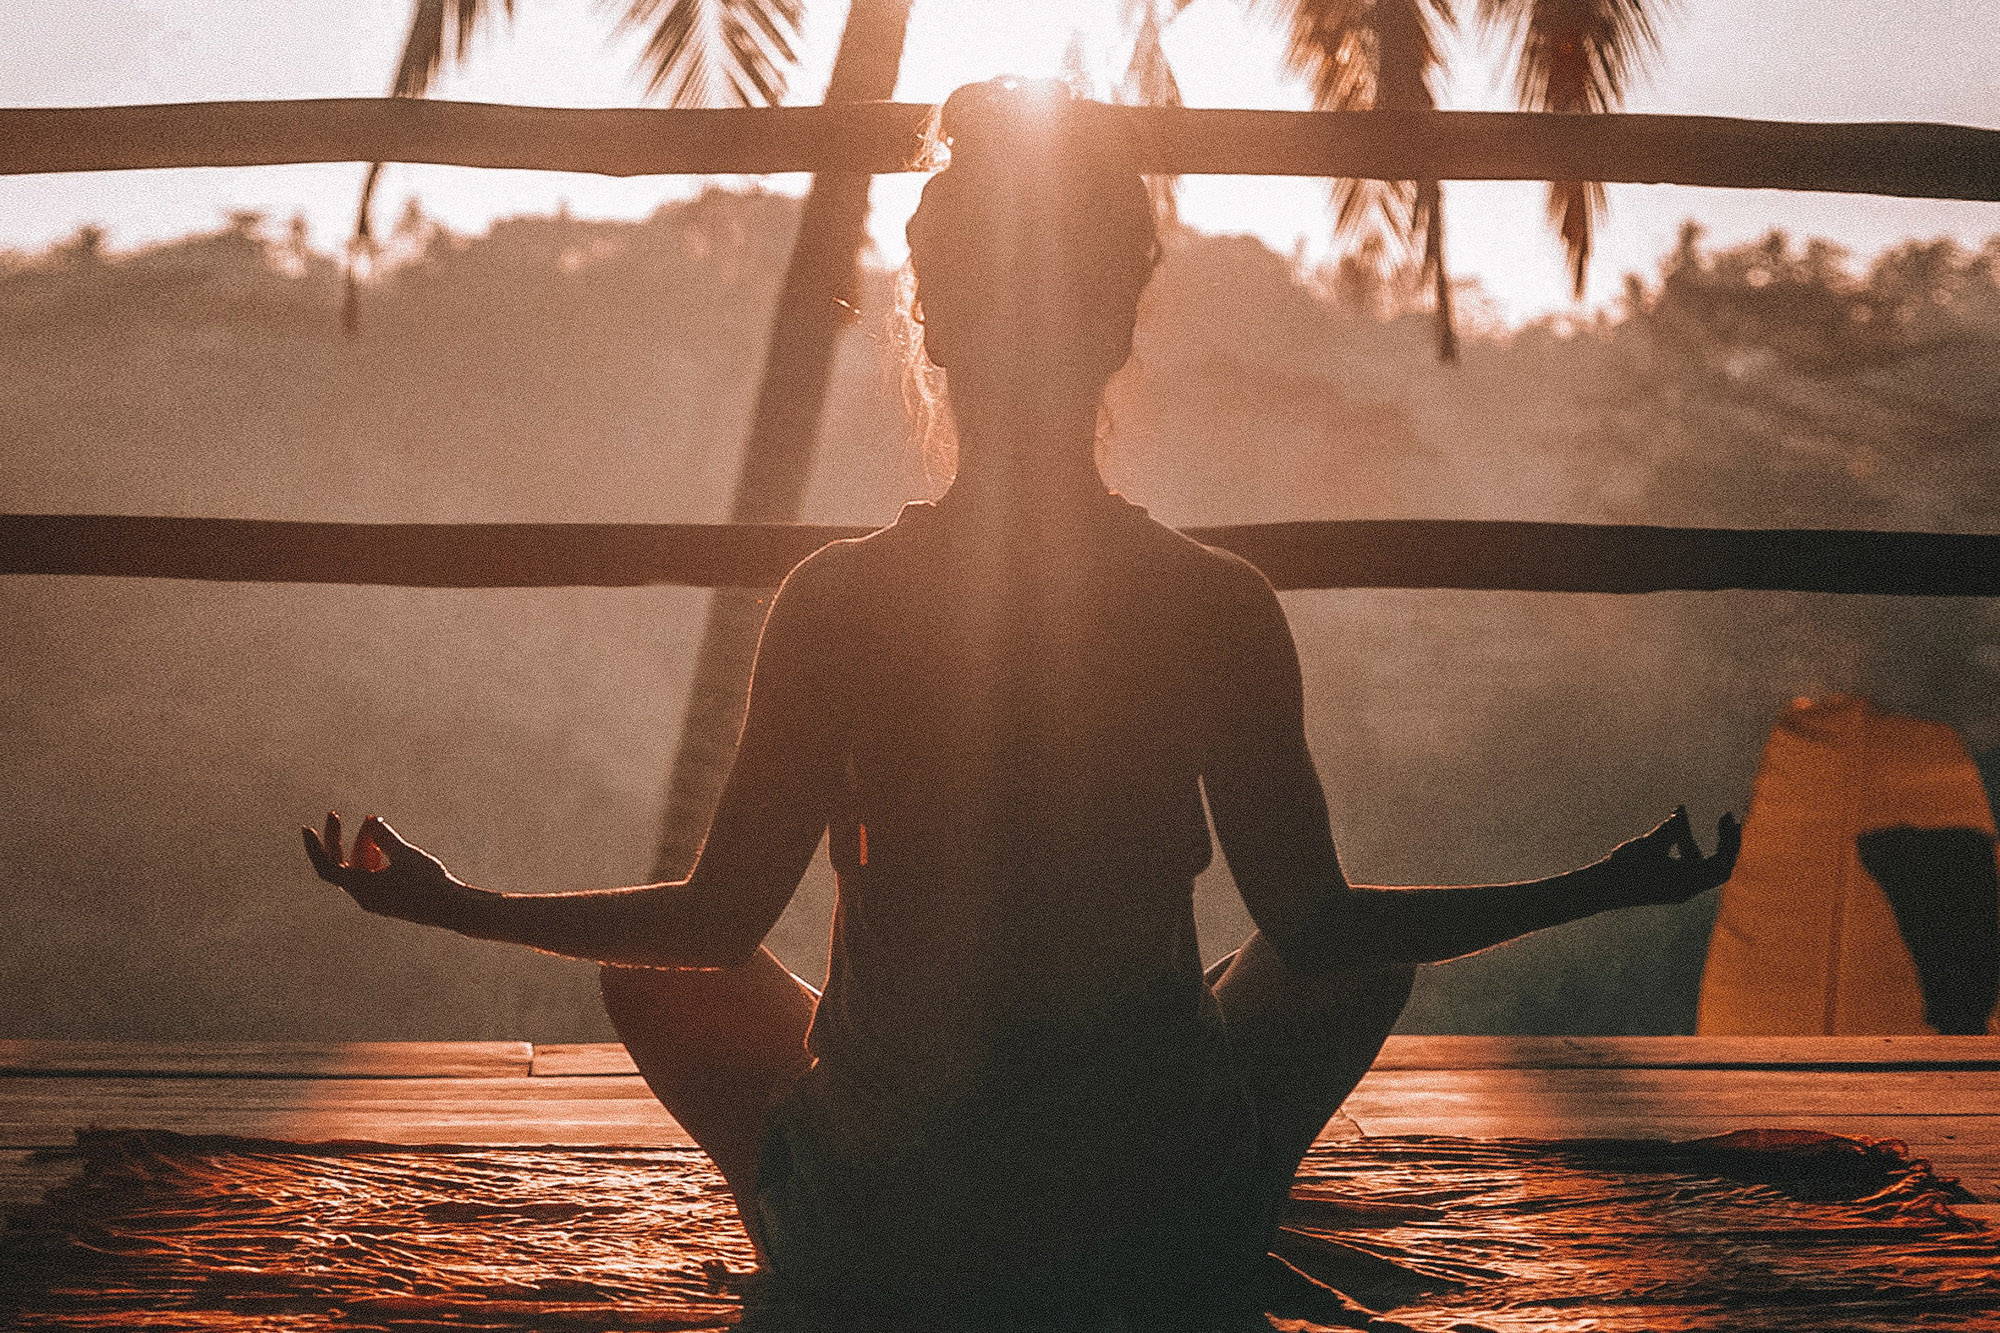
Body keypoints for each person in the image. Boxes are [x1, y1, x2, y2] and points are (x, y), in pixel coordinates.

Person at [303, 79, 1740, 1333]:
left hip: (898, 1229)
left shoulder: (841, 600)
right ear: (1117, 330)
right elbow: (1322, 928)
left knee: (658, 976)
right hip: (1147, 1214)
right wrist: (1601, 884)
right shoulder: (1214, 601)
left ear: (932, 330)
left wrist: (456, 900)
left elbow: (710, 925)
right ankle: (1204, 1234)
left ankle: (831, 1253)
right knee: (1353, 963)